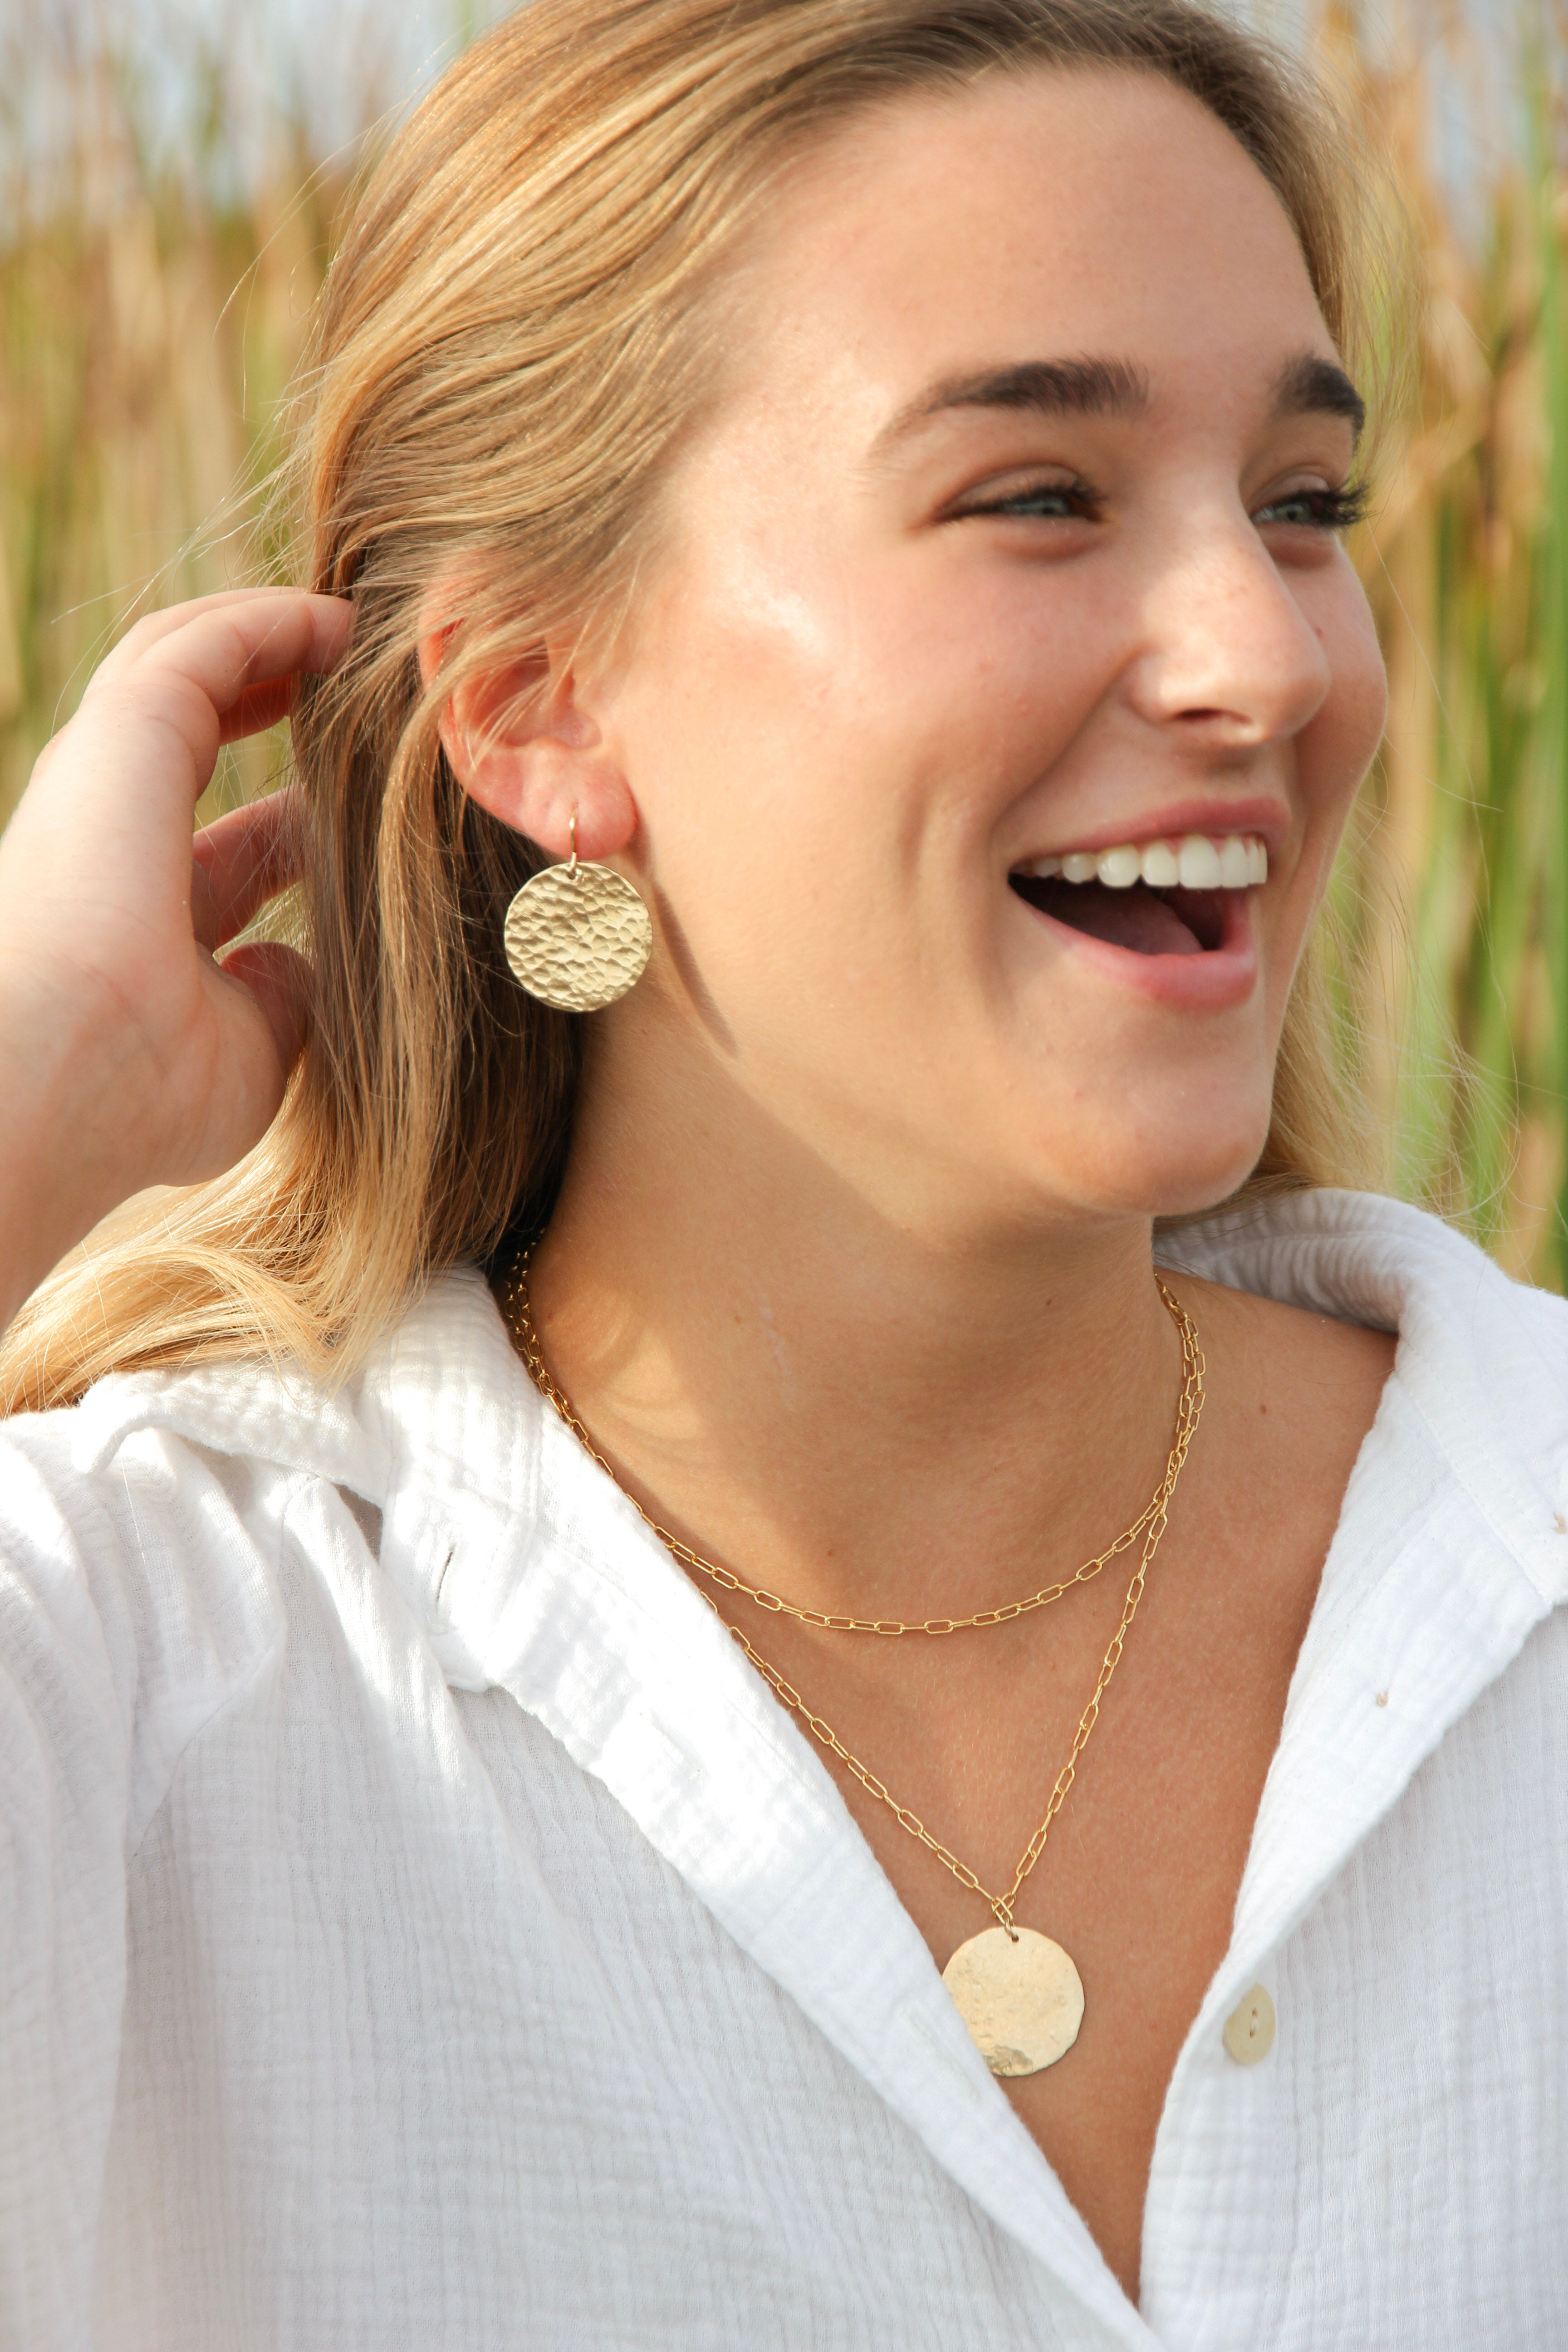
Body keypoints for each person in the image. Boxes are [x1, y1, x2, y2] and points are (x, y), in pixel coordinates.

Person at [1, 0, 1563, 2343]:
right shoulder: (132, 1678)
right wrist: (37, 1094)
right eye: (1037, 494)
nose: (1269, 657)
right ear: (537, 705)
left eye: (1304, 505)